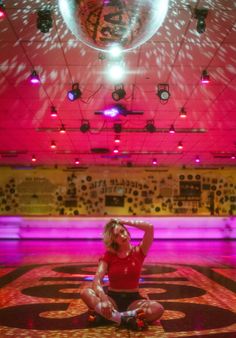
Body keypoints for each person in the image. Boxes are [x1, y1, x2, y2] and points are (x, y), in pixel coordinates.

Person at [80, 218, 164, 331]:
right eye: (116, 235)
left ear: (127, 231)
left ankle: (112, 317)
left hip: (133, 301)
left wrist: (123, 221)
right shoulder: (109, 255)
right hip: (112, 299)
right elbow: (97, 281)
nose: (122, 236)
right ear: (113, 240)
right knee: (86, 292)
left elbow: (149, 227)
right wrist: (104, 299)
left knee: (157, 308)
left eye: (122, 231)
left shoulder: (139, 251)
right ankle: (127, 319)